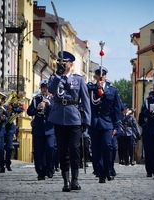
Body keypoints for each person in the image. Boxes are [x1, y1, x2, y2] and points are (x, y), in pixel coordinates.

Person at [48, 51, 91, 192]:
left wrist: (87, 120)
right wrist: (58, 75)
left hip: (74, 117)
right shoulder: (54, 78)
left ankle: (75, 180)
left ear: (70, 64)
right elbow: (51, 90)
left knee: (74, 149)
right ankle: (65, 181)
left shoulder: (78, 80)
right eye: (59, 62)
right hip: (59, 116)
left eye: (64, 62)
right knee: (62, 150)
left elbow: (85, 101)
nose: (61, 64)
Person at [87, 66, 122, 183]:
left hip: (107, 123)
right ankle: (100, 173)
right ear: (95, 76)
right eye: (98, 74)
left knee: (107, 146)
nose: (100, 76)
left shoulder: (112, 91)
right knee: (96, 149)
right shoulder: (91, 88)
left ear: (106, 76)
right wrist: (96, 88)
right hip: (94, 123)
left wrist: (117, 126)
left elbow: (117, 109)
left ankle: (108, 170)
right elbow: (85, 91)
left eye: (103, 74)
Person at [27, 79, 56, 180]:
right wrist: (36, 109)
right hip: (38, 129)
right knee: (39, 151)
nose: (45, 89)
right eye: (43, 87)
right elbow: (29, 111)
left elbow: (56, 113)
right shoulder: (36, 100)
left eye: (47, 87)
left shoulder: (53, 100)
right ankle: (40, 172)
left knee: (50, 148)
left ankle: (50, 168)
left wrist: (49, 106)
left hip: (50, 129)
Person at [139, 89, 154, 177]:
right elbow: (141, 120)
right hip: (147, 132)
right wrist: (146, 126)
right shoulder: (145, 106)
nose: (151, 96)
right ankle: (149, 170)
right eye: (150, 95)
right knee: (148, 152)